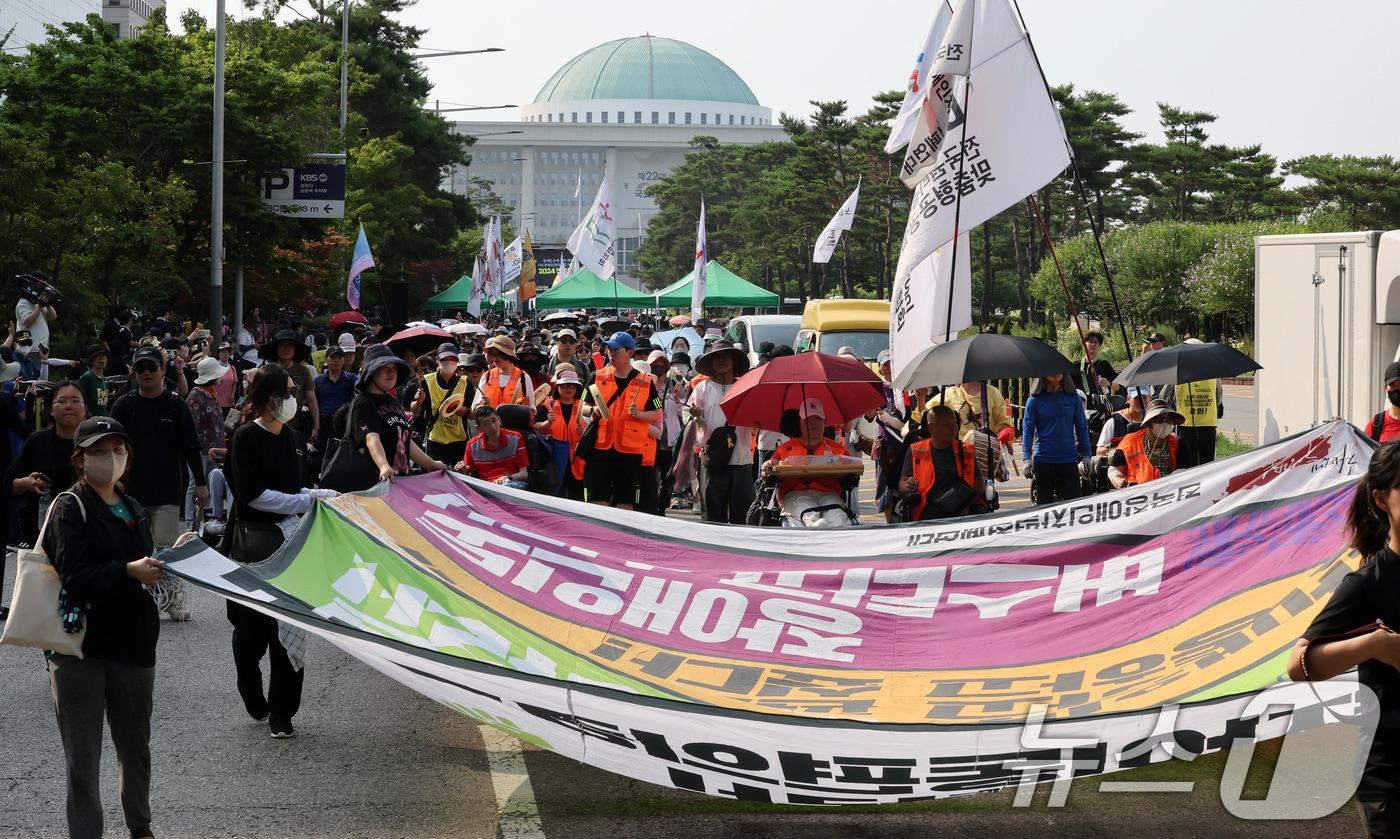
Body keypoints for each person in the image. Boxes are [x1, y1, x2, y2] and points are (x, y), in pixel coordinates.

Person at [44, 416, 164, 839]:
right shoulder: (69, 507)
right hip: (81, 647)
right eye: (99, 451)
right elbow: (74, 576)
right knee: (83, 758)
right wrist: (127, 571)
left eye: (118, 449)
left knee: (136, 750)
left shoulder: (131, 506)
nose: (111, 458)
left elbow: (143, 564)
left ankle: (140, 827)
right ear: (80, 459)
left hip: (133, 643)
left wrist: (168, 559)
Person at [1287, 442, 1400, 837]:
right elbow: (1298, 663)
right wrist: (1374, 646)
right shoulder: (1367, 584)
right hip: (1390, 775)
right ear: (1381, 499)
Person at [224, 365, 335, 739]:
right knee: (251, 627)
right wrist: (304, 501)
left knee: (289, 625)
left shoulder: (292, 436)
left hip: (293, 543)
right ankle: (251, 687)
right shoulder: (245, 438)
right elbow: (253, 495)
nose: (293, 398)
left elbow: (296, 488)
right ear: (266, 396)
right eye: (286, 391)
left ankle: (282, 712)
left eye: (294, 391)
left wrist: (312, 498)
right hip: (254, 543)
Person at [108, 345, 206, 621]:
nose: (147, 373)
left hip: (167, 491)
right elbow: (109, 446)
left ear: (163, 371)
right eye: (141, 368)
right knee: (131, 551)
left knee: (164, 550)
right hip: (129, 492)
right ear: (134, 372)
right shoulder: (123, 404)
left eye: (152, 367)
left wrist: (201, 483)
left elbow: (190, 447)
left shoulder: (176, 405)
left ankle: (172, 602)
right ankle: (131, 602)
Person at [582, 331, 661, 510]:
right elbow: (583, 407)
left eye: (616, 350)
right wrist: (593, 410)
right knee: (597, 499)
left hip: (630, 451)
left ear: (630, 353)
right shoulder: (596, 376)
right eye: (609, 348)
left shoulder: (646, 382)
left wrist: (639, 414)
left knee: (625, 502)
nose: (611, 353)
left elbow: (655, 414)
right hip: (599, 447)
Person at [349, 344, 449, 481]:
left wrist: (431, 464)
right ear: (371, 372)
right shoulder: (363, 403)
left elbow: (405, 440)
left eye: (394, 368)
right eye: (385, 368)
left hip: (401, 482)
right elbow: (371, 438)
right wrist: (383, 465)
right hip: (376, 483)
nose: (391, 372)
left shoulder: (393, 401)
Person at [688, 340, 755, 524]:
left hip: (741, 460)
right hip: (713, 459)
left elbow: (754, 424)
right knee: (713, 516)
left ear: (733, 360)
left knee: (742, 518)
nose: (720, 360)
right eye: (716, 357)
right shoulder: (702, 388)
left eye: (725, 356)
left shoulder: (745, 388)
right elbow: (698, 423)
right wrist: (696, 417)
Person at [762, 398, 852, 527]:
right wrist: (766, 466)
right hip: (795, 494)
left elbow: (854, 467)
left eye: (817, 419)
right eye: (808, 420)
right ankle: (815, 528)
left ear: (824, 421)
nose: (813, 424)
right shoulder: (784, 449)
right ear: (800, 422)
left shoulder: (838, 449)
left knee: (838, 517)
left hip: (827, 493)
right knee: (808, 511)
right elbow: (767, 471)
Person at [899, 404, 986, 521]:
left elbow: (980, 485)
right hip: (929, 512)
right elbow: (902, 484)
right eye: (947, 425)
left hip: (964, 509)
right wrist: (907, 485)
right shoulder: (915, 450)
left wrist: (965, 502)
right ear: (931, 428)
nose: (953, 428)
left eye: (955, 423)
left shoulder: (966, 451)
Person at [1021, 372, 1092, 504]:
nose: (1057, 373)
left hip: (1068, 459)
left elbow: (1082, 427)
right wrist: (1026, 458)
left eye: (1060, 370)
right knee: (1044, 507)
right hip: (1043, 459)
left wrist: (1087, 455)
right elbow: (1028, 430)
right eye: (1053, 370)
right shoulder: (1034, 400)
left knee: (1074, 506)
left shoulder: (1073, 398)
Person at [1161, 339, 1223, 469]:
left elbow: (1164, 398)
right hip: (1208, 427)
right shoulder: (1213, 375)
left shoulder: (1178, 374)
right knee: (1206, 466)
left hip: (1185, 427)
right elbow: (1218, 399)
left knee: (1186, 466)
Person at [417, 342, 473, 468]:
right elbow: (415, 412)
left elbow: (473, 414)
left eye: (452, 359)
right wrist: (418, 401)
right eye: (444, 359)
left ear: (457, 361)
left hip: (460, 441)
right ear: (437, 360)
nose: (448, 362)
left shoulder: (465, 383)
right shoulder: (426, 381)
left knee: (461, 478)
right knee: (436, 480)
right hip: (436, 442)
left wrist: (466, 411)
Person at [187, 355, 230, 517]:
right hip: (200, 448)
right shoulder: (195, 396)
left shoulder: (212, 393)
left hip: (215, 447)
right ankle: (191, 519)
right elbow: (192, 426)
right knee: (195, 483)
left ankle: (209, 515)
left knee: (212, 481)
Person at [261, 329, 319, 448]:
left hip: (295, 426)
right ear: (277, 348)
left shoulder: (303, 371)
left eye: (290, 346)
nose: (286, 349)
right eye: (282, 345)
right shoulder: (267, 370)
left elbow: (312, 399)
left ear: (295, 349)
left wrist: (316, 425)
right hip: (269, 424)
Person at [534, 366, 586, 499]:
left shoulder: (584, 406)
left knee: (577, 497)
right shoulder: (548, 404)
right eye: (564, 386)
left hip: (577, 458)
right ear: (557, 387)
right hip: (554, 456)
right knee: (554, 494)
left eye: (572, 386)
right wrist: (548, 423)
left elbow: (593, 430)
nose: (568, 389)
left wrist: (584, 431)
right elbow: (536, 427)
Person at [1107, 399, 1183, 489]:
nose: (1165, 423)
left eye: (1169, 420)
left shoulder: (1177, 443)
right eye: (1160, 420)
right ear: (1149, 423)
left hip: (1170, 493)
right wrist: (1118, 480)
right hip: (1138, 495)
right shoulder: (1129, 441)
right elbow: (1114, 469)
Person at [457, 405, 531, 489]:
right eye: (486, 424)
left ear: (499, 420)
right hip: (486, 488)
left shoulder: (516, 438)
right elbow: (466, 473)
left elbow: (524, 474)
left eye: (494, 420)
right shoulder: (472, 445)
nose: (492, 427)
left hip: (512, 484)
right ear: (478, 428)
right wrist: (461, 469)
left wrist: (507, 478)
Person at [938, 379, 1016, 449]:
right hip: (959, 454)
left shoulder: (992, 393)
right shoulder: (949, 394)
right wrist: (924, 395)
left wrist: (1004, 438)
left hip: (988, 453)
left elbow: (1003, 423)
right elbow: (928, 415)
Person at [313, 341, 358, 443]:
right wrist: (315, 426)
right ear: (326, 359)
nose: (336, 361)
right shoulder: (318, 381)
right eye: (333, 357)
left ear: (343, 360)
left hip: (344, 423)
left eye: (339, 357)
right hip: (323, 423)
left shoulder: (351, 379)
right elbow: (313, 403)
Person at [478, 335, 534, 409]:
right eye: (493, 354)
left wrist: (523, 408)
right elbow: (475, 408)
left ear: (508, 355)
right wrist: (483, 406)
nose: (495, 358)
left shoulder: (523, 377)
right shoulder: (487, 376)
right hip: (490, 420)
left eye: (499, 354)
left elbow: (532, 410)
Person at [1364, 361, 1400, 444]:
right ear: (1385, 388)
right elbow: (1362, 450)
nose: (1397, 389)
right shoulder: (1377, 423)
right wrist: (1342, 427)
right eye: (1392, 385)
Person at [15, 283, 57, 351]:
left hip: (41, 349)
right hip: (29, 350)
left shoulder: (39, 303)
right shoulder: (24, 302)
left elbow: (53, 317)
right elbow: (27, 322)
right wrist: (40, 307)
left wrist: (48, 304)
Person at [77, 345, 109, 417]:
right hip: (91, 421)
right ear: (91, 360)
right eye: (97, 356)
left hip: (104, 418)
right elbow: (78, 399)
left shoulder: (103, 378)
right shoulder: (88, 377)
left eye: (103, 355)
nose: (102, 358)